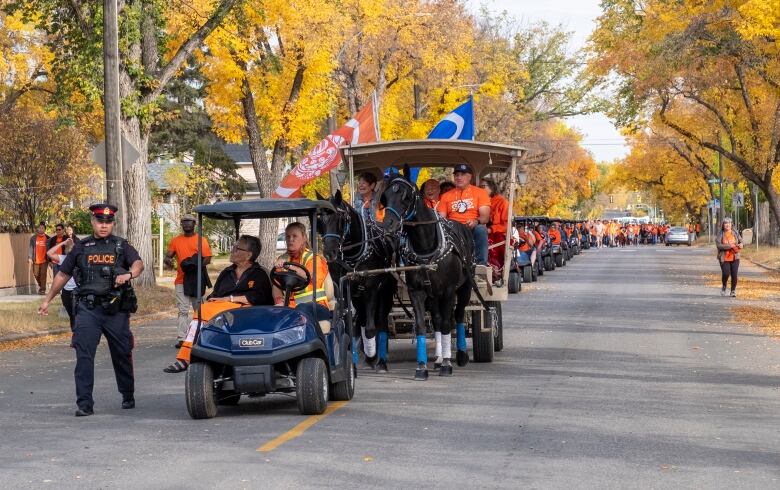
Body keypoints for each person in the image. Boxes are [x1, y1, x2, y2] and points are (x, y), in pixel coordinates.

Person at [38, 203, 144, 417]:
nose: (104, 226)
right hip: (88, 309)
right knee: (84, 355)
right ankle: (84, 403)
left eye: (108, 222)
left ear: (112, 223)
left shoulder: (122, 246)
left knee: (122, 353)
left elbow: (138, 264)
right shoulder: (81, 247)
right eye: (99, 222)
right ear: (92, 222)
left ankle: (127, 393)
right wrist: (47, 299)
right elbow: (62, 275)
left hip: (115, 310)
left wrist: (129, 275)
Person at [164, 235, 273, 373]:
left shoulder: (260, 273)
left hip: (249, 313)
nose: (232, 250)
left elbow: (260, 297)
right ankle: (201, 354)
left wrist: (230, 299)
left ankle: (186, 357)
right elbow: (216, 294)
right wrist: (212, 299)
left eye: (237, 248)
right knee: (204, 308)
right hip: (224, 312)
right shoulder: (227, 273)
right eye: (233, 246)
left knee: (205, 311)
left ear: (248, 255)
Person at [273, 222, 335, 329]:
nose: (290, 239)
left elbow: (309, 277)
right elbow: (276, 285)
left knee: (301, 310)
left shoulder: (314, 259)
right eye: (287, 236)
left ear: (304, 238)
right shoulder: (284, 260)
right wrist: (279, 302)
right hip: (291, 307)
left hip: (317, 306)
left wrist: (288, 267)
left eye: (294, 236)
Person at [165, 214, 212, 348]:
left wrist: (194, 265)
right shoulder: (176, 240)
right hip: (181, 280)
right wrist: (168, 261)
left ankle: (201, 335)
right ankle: (182, 338)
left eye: (189, 222)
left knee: (199, 309)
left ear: (194, 224)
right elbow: (169, 256)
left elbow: (207, 258)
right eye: (184, 222)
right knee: (183, 310)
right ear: (181, 224)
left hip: (196, 278)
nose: (186, 224)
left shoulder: (201, 240)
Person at [436, 164, 491, 265]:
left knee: (481, 229)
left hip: (471, 227)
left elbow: (485, 217)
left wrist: (476, 221)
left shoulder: (480, 193)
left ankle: (480, 266)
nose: (459, 177)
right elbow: (441, 217)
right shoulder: (445, 196)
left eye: (462, 174)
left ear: (470, 177)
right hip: (452, 229)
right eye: (457, 175)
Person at [46, 236, 78, 331]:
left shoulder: (79, 259)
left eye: (72, 248)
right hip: (66, 292)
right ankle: (75, 333)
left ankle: (77, 336)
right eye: (68, 248)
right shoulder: (63, 258)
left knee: (77, 314)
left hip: (77, 291)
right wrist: (62, 243)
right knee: (72, 315)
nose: (70, 250)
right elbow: (49, 253)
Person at [716, 218, 743, 298]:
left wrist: (741, 244)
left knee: (734, 274)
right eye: (725, 223)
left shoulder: (735, 233)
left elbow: (741, 241)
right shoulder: (720, 234)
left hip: (735, 257)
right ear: (723, 225)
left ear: (732, 225)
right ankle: (724, 286)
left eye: (729, 223)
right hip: (724, 257)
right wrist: (729, 246)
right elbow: (719, 245)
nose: (727, 225)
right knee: (726, 273)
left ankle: (733, 291)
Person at [29, 222, 49, 294]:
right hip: (36, 259)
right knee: (36, 274)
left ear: (45, 229)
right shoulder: (33, 238)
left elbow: (50, 249)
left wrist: (50, 260)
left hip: (44, 260)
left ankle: (43, 289)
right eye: (39, 228)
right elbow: (31, 248)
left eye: (42, 228)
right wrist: (30, 258)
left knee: (43, 274)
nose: (40, 229)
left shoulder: (48, 238)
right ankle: (41, 286)